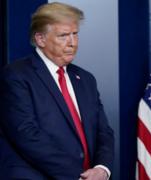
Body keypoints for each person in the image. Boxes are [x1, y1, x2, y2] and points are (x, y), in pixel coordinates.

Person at [0, 2, 114, 179]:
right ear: (40, 39)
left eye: (75, 34)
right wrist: (79, 176)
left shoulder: (86, 79)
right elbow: (27, 135)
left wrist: (102, 169)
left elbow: (103, 132)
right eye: (63, 36)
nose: (72, 43)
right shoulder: (16, 76)